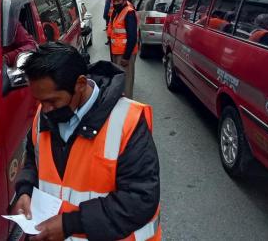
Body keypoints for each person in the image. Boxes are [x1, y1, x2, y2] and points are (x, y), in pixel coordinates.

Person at [12, 42, 161, 241]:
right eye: (40, 101)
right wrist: (25, 190)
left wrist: (69, 224)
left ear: (80, 85)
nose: (45, 109)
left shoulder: (127, 122)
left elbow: (140, 199)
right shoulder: (45, 114)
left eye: (53, 101)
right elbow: (33, 159)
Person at [107, 0, 138, 97]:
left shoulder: (129, 12)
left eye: (118, 1)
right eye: (114, 1)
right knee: (119, 82)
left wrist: (126, 57)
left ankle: (128, 108)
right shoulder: (116, 12)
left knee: (126, 84)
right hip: (116, 53)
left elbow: (132, 37)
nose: (115, 3)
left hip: (125, 54)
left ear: (124, 1)